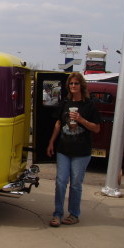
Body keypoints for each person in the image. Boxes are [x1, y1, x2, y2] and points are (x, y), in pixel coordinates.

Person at [46, 72, 101, 227]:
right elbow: (58, 123)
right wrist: (51, 142)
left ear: (81, 85)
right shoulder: (65, 103)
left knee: (76, 184)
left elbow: (96, 128)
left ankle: (74, 214)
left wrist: (80, 119)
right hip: (63, 148)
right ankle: (57, 214)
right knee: (61, 182)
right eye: (71, 84)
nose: (73, 86)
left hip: (82, 151)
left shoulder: (89, 105)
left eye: (76, 83)